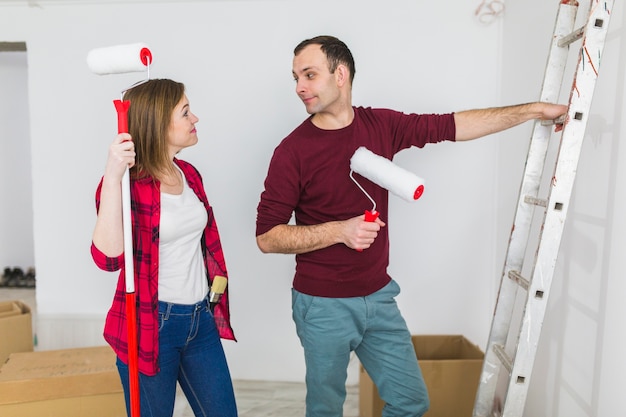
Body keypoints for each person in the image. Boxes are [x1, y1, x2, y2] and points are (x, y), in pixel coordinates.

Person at [255, 35, 567, 417]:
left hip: (379, 297)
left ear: (341, 74)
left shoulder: (381, 126)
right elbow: (267, 237)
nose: (299, 87)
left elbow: (453, 125)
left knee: (411, 401)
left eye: (309, 74)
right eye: (295, 77)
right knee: (326, 409)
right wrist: (340, 230)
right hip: (322, 305)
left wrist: (533, 111)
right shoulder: (293, 150)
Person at [91, 79, 238, 417]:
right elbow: (108, 258)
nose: (195, 119)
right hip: (150, 322)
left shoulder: (188, 174)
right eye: (185, 112)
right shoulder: (128, 184)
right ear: (159, 124)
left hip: (200, 320)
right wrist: (113, 176)